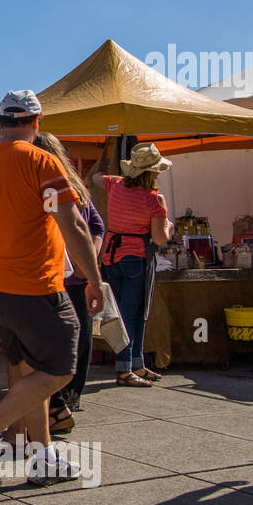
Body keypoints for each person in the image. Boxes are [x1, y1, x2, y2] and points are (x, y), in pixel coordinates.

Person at [0, 90, 103, 488]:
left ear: (0, 122)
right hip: (36, 284)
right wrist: (92, 277)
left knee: (30, 373)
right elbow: (73, 225)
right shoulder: (42, 160)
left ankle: (44, 457)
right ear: (37, 122)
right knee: (60, 370)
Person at [32, 132, 104, 426]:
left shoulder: (47, 187)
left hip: (53, 275)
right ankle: (67, 400)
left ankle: (57, 406)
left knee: (52, 343)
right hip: (75, 276)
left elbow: (82, 227)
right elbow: (96, 226)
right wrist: (88, 261)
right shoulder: (76, 187)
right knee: (78, 338)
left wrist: (80, 260)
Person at [92, 143, 174, 388]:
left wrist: (106, 160)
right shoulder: (154, 200)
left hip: (111, 257)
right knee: (133, 315)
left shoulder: (114, 185)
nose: (159, 174)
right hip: (136, 258)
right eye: (156, 170)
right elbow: (159, 239)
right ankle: (125, 369)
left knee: (126, 313)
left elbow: (95, 176)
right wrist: (168, 226)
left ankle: (136, 364)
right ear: (150, 173)